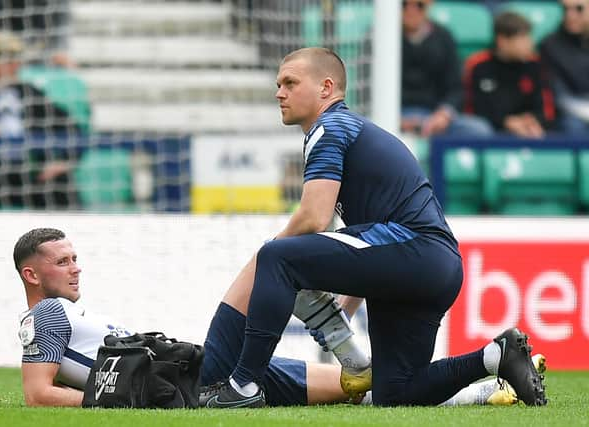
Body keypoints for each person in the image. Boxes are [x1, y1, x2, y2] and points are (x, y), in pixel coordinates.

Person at [200, 47, 546, 408]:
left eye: (290, 82)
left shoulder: (329, 127)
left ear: (326, 88)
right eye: (278, 84)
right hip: (431, 266)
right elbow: (374, 235)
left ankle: (243, 387)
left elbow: (314, 218)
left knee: (277, 256)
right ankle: (495, 356)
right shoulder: (350, 128)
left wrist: (266, 256)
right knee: (396, 393)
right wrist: (346, 307)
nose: (279, 93)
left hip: (414, 252)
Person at [14, 227, 533, 407]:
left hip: (190, 370)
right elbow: (37, 394)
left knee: (367, 389)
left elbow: (62, 377)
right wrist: (117, 402)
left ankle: (488, 373)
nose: (75, 268)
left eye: (75, 257)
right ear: (31, 276)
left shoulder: (66, 315)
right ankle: (331, 326)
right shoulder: (48, 316)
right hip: (193, 382)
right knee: (269, 259)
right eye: (62, 261)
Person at [0, 30, 79, 209]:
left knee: (60, 183)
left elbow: (72, 127)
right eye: (8, 60)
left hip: (27, 171)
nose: (16, 65)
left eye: (17, 59)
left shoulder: (30, 92)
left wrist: (63, 161)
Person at [401, 0, 493, 137]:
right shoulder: (378, 36)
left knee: (478, 130)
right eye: (403, 4)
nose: (411, 10)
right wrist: (395, 119)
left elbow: (455, 87)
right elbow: (369, 91)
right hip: (394, 114)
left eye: (419, 5)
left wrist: (444, 114)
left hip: (435, 114)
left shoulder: (444, 37)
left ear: (429, 4)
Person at [463, 12, 557, 138]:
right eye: (522, 38)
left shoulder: (535, 65)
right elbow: (473, 109)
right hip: (491, 132)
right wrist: (506, 122)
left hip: (529, 130)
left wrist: (532, 121)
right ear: (502, 41)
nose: (530, 44)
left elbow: (546, 108)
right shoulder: (478, 65)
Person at [540, 0, 589, 135]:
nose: (570, 15)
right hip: (571, 114)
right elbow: (558, 95)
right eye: (565, 9)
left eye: (579, 9)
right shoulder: (550, 46)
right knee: (573, 126)